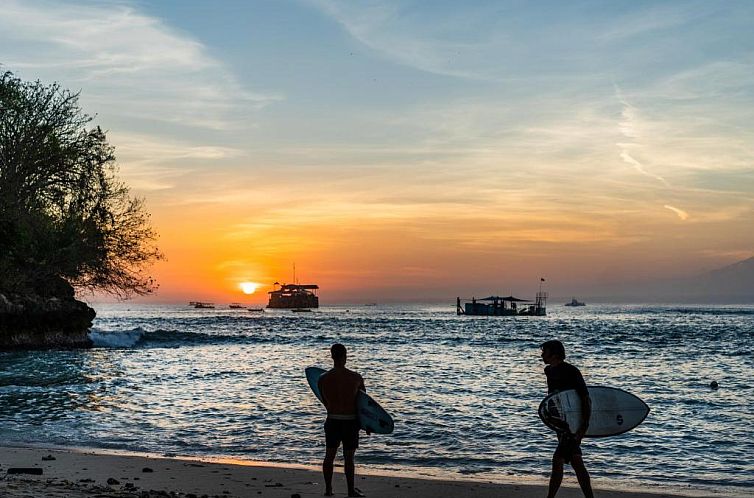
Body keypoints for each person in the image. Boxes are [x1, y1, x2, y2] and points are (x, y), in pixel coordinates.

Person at [541, 340, 594, 498]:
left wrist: (583, 425)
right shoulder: (548, 371)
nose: (542, 354)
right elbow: (553, 397)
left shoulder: (571, 371)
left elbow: (585, 398)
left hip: (573, 423)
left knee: (558, 460)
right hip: (560, 423)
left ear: (555, 354)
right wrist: (551, 418)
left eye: (545, 351)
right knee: (576, 461)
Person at [317, 343, 366, 497]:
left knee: (329, 456)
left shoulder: (322, 379)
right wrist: (367, 425)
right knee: (349, 459)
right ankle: (351, 491)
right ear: (346, 357)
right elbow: (363, 405)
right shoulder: (356, 378)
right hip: (350, 422)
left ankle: (328, 490)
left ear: (332, 356)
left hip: (332, 420)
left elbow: (324, 401)